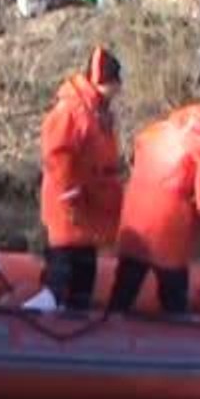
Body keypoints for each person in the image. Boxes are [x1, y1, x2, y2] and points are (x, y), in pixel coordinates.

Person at [107, 102, 200, 316]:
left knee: (125, 286)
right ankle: (176, 333)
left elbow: (136, 160)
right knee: (174, 294)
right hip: (171, 228)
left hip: (135, 220)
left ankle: (108, 327)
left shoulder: (155, 130)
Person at [35, 44, 124, 311]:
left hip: (89, 212)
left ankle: (76, 316)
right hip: (70, 210)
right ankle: (43, 318)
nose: (119, 88)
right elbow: (57, 156)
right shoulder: (72, 111)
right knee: (61, 276)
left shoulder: (97, 111)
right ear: (103, 82)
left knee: (84, 276)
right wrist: (70, 196)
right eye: (115, 82)